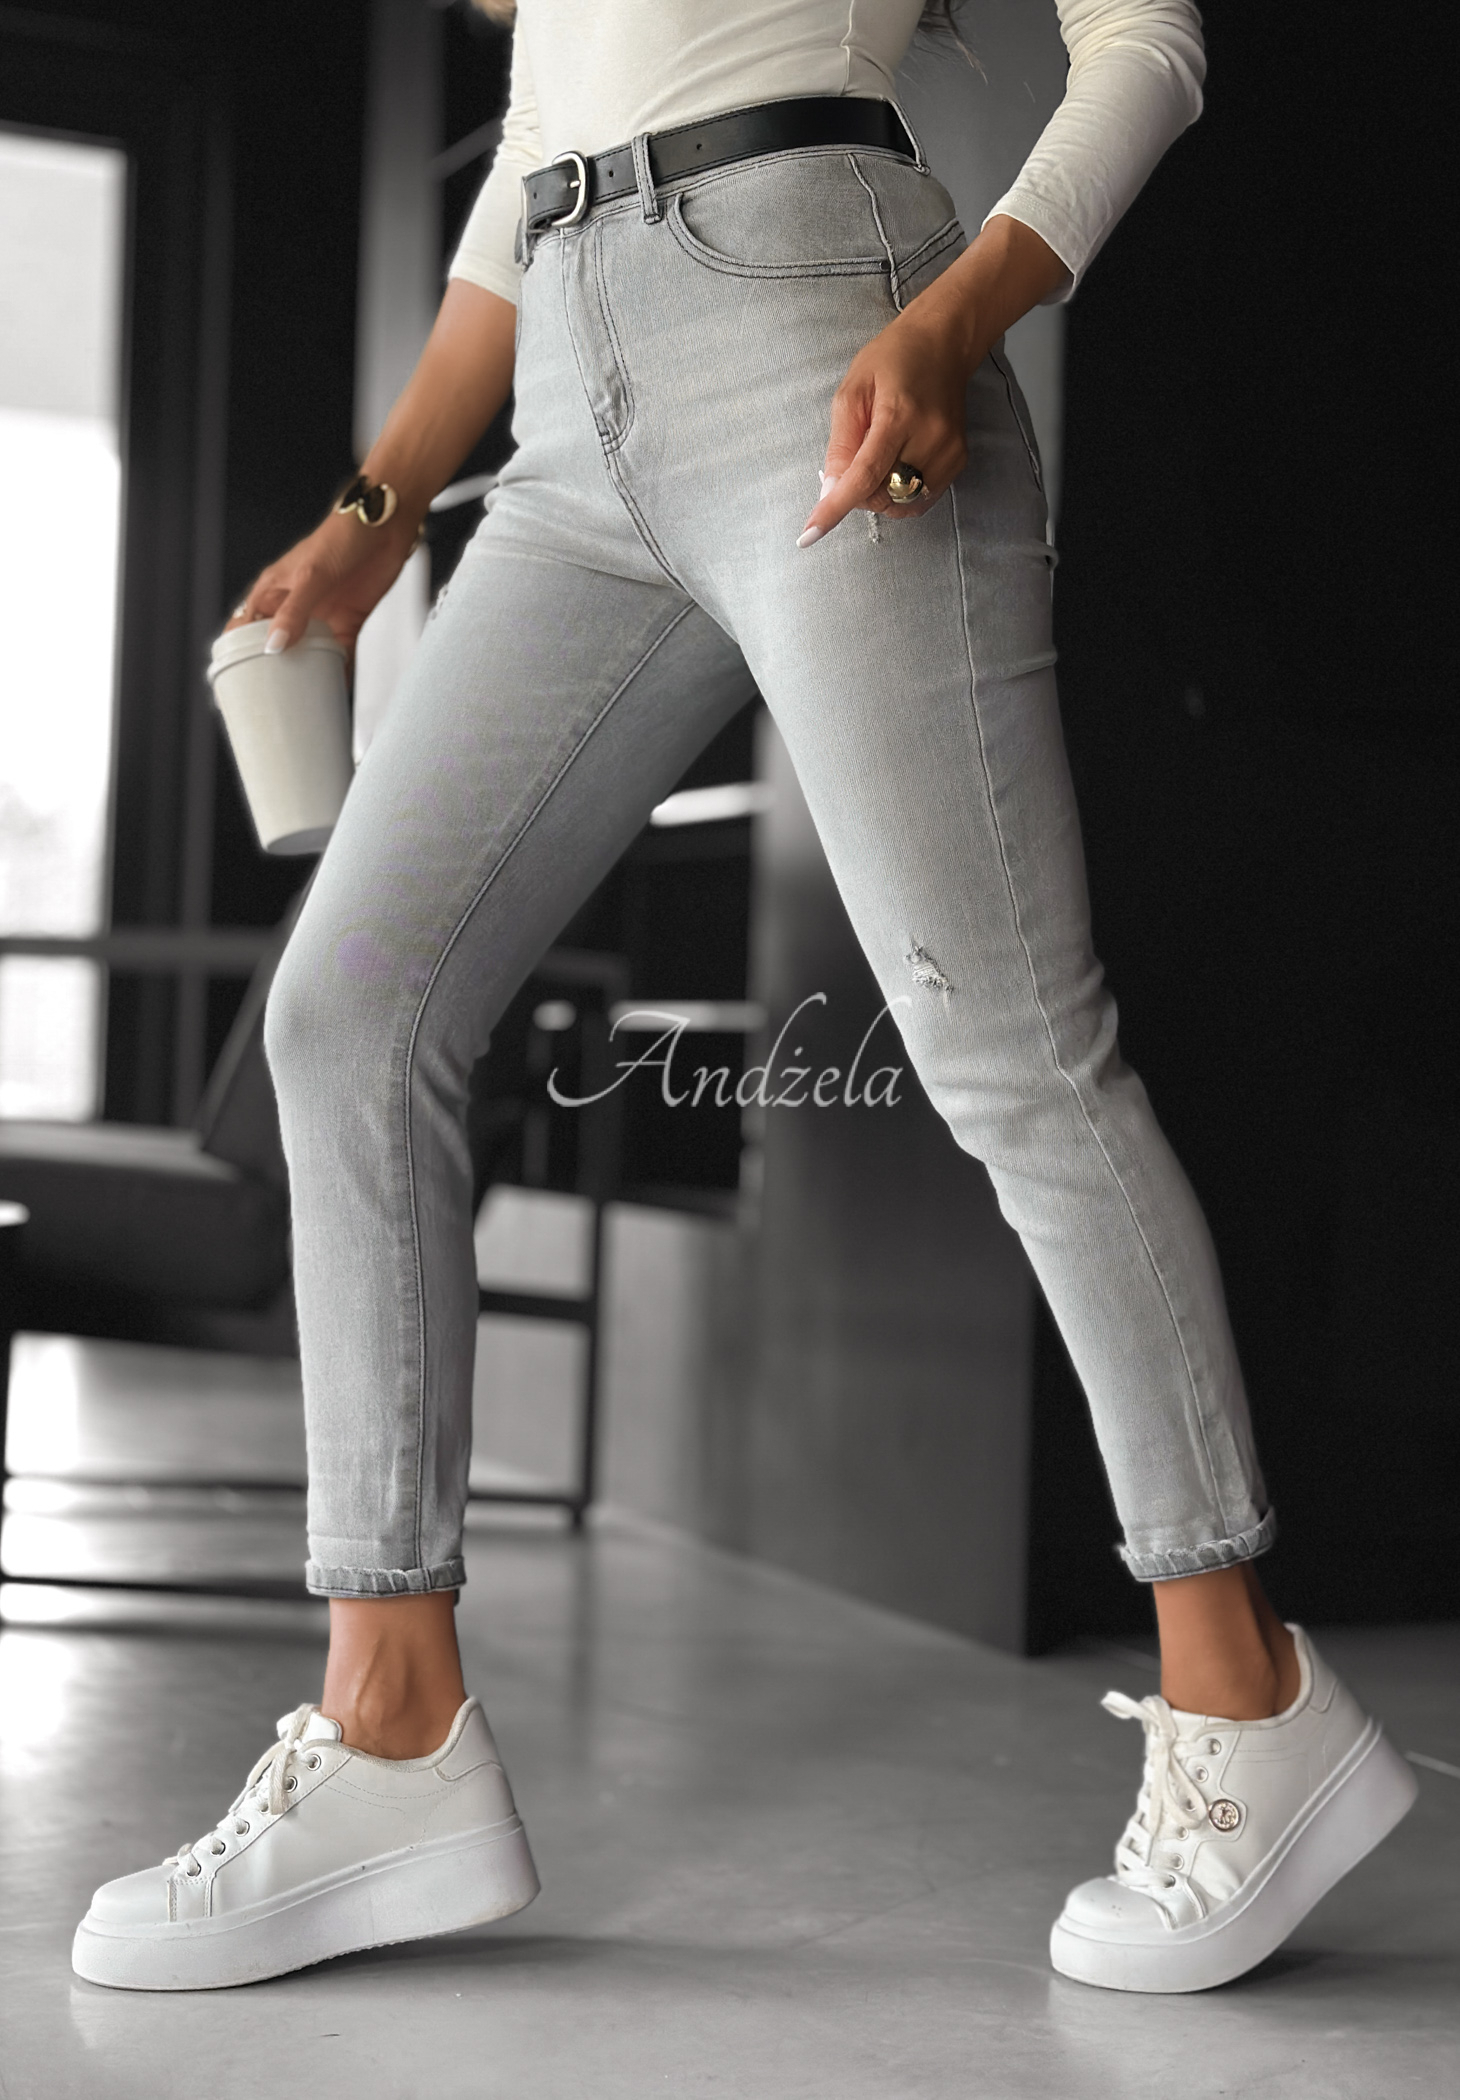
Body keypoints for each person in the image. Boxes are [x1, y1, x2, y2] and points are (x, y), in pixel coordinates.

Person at [73, 0, 1415, 1995]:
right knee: (348, 1011)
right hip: (564, 430)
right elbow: (530, 165)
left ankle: (1250, 1696)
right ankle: (392, 1728)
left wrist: (957, 316)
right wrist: (375, 517)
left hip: (819, 327)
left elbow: (1148, 42)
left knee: (1008, 1049)